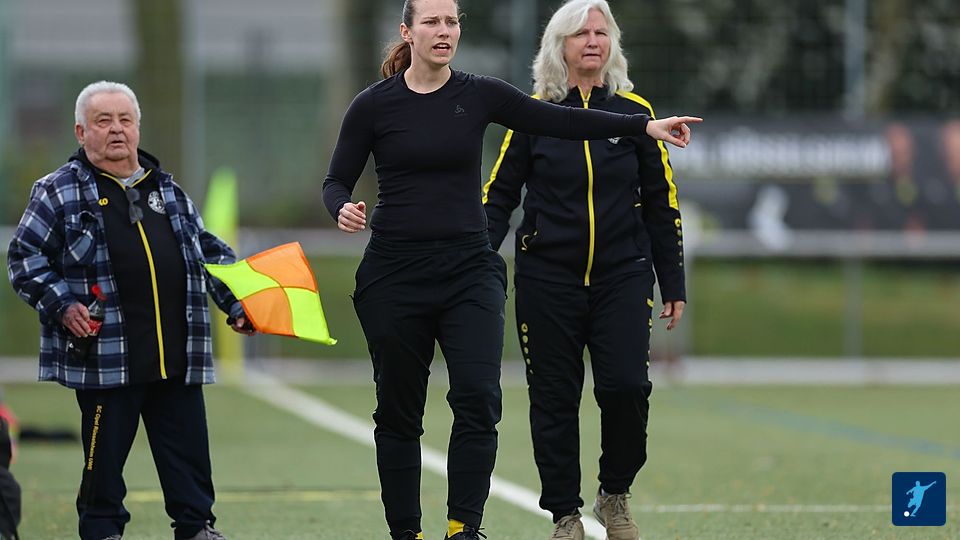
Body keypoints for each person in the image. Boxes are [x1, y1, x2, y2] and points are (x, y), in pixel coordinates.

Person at [321, 0, 699, 538]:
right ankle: (408, 532)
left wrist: (644, 126)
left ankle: (463, 528)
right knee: (399, 412)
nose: (444, 30)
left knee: (478, 399)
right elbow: (336, 180)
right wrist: (342, 207)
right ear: (407, 31)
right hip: (395, 273)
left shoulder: (482, 94)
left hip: (469, 272)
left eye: (451, 21)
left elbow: (565, 121)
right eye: (431, 21)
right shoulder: (373, 105)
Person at [6, 81, 254, 540]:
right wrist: (63, 305)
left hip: (176, 357)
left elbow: (209, 252)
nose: (116, 129)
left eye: (125, 120)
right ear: (81, 131)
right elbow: (24, 258)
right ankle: (102, 531)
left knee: (189, 456)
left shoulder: (167, 190)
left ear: (138, 127)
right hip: (106, 360)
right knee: (102, 466)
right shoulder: (57, 191)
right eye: (103, 121)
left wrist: (237, 303)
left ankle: (197, 528)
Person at [482, 2, 687, 539]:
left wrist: (673, 281)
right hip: (547, 281)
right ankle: (565, 515)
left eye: (601, 32)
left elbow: (662, 202)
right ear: (559, 45)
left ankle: (614, 494)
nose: (593, 41)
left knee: (626, 387)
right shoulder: (532, 114)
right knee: (554, 398)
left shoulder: (637, 114)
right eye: (581, 33)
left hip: (624, 276)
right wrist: (475, 263)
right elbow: (499, 196)